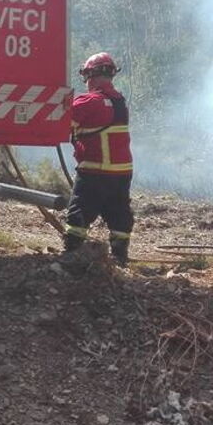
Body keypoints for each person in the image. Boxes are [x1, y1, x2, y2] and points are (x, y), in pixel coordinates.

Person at [63, 52, 134, 267]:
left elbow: (61, 123)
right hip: (122, 172)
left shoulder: (88, 102)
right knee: (119, 214)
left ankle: (72, 254)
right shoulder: (119, 101)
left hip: (95, 171)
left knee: (79, 215)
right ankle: (120, 257)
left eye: (86, 76)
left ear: (90, 75)